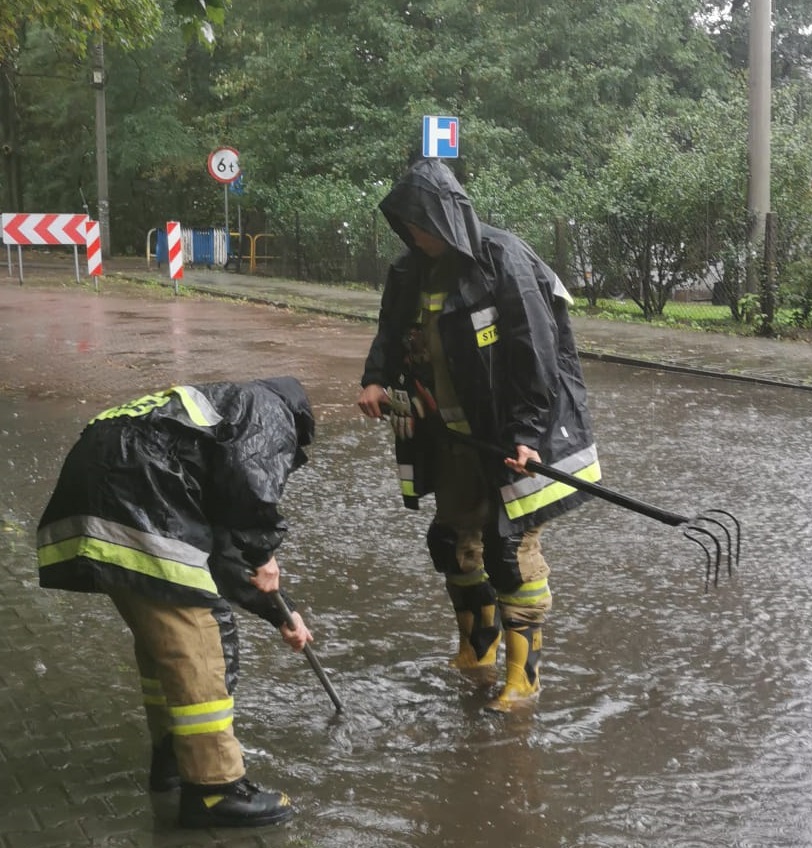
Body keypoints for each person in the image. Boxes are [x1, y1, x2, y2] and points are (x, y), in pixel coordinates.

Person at [357, 159, 601, 712]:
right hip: (453, 440)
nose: (413, 235)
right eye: (407, 226)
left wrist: (526, 435)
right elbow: (392, 330)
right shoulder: (409, 271)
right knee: (452, 544)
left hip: (517, 439)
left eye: (420, 225)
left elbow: (536, 353)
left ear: (445, 218)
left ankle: (523, 678)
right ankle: (477, 650)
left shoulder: (503, 259)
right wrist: (375, 379)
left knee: (508, 549)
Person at [37, 376, 315, 828]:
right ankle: (215, 789)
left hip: (102, 492)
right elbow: (251, 489)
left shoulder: (213, 413)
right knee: (201, 635)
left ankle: (173, 756)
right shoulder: (269, 408)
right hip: (139, 494)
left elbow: (220, 549)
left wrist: (281, 611)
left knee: (164, 636)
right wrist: (265, 552)